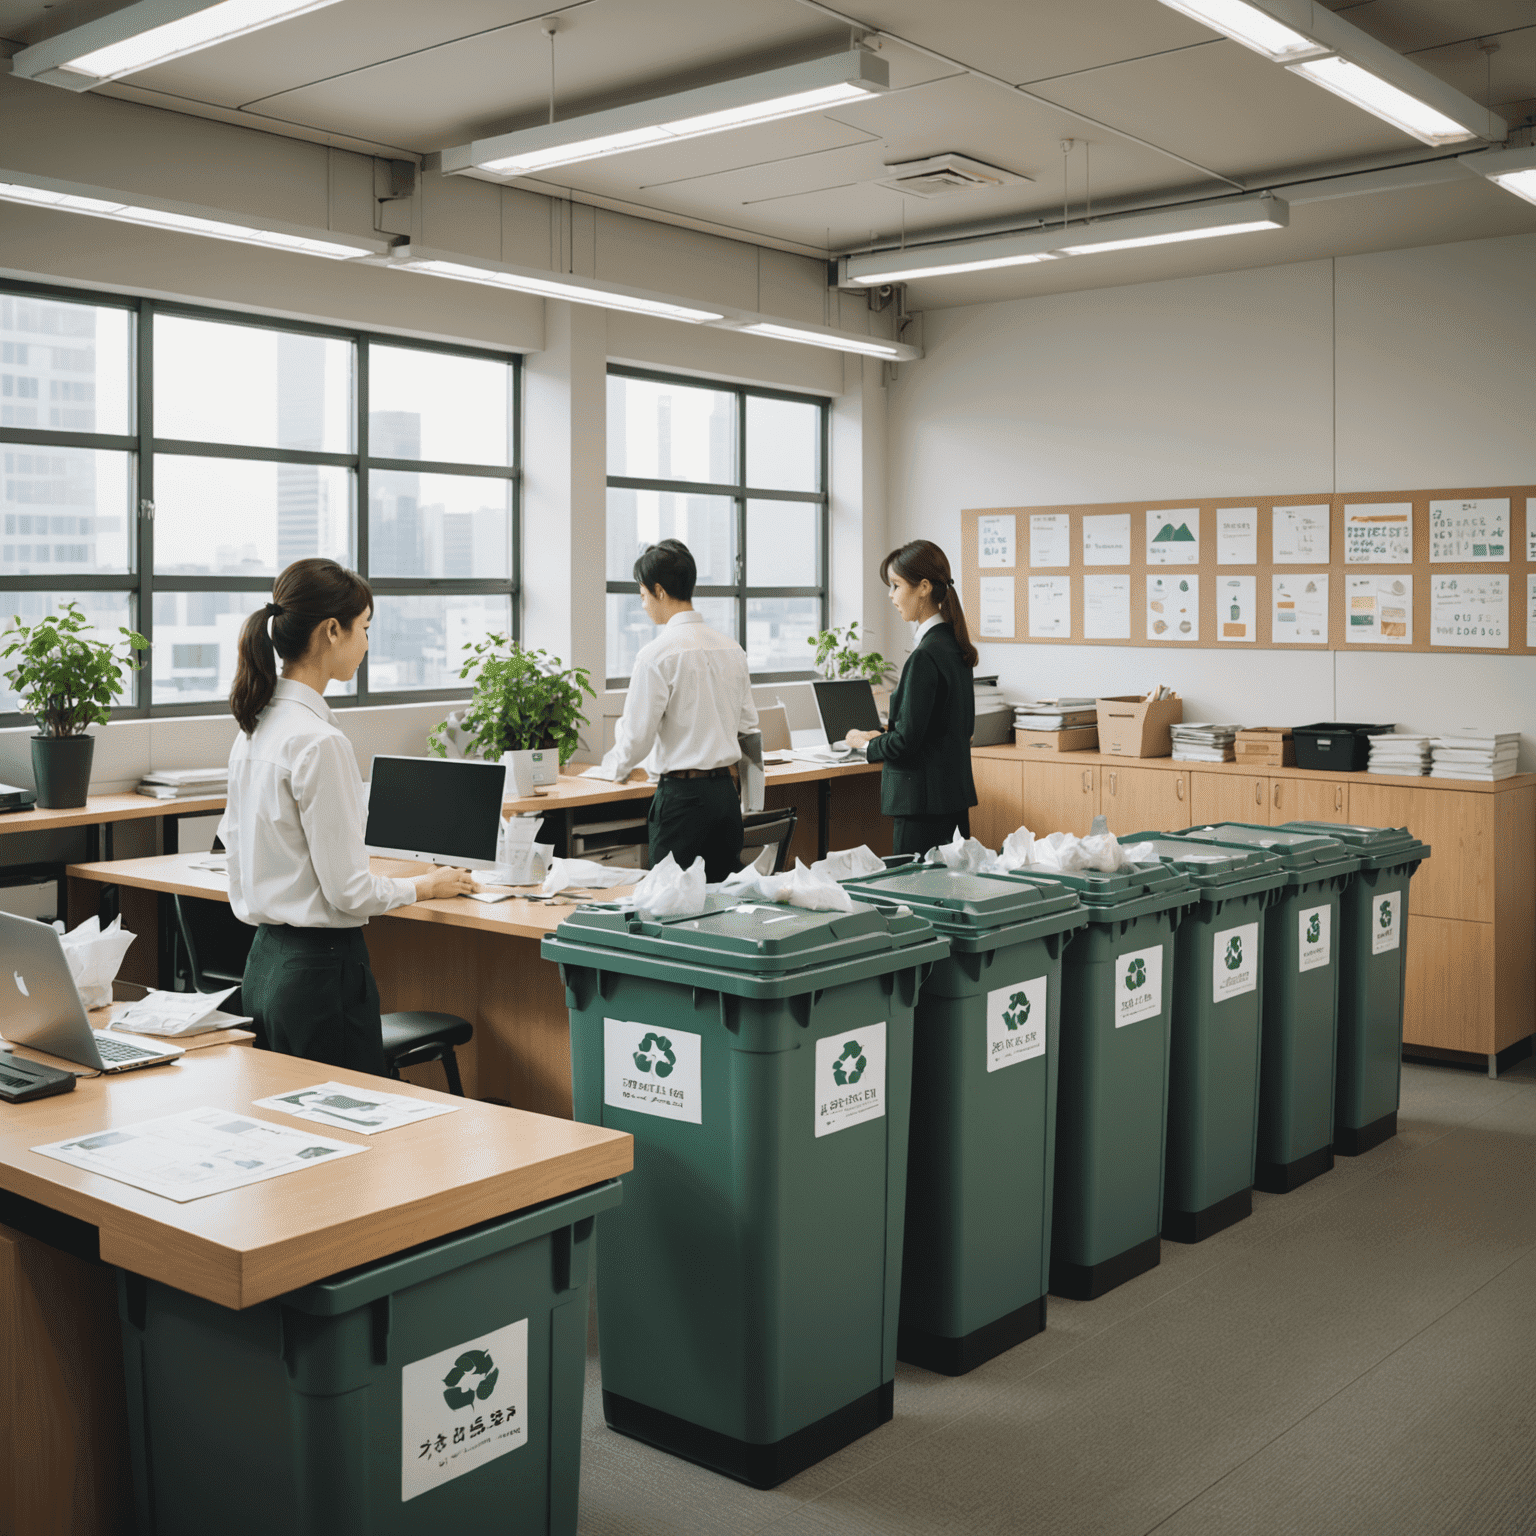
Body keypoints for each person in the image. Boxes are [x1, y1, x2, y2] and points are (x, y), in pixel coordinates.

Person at [221, 558, 473, 1074]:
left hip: (265, 966)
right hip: (320, 973)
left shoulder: (255, 728)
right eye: (364, 629)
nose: (365, 644)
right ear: (331, 631)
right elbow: (349, 891)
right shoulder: (319, 741)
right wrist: (425, 886)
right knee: (346, 1135)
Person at [595, 538, 758, 882]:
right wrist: (751, 800)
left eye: (642, 596)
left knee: (672, 909)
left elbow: (637, 737)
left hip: (683, 800)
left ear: (659, 591)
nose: (643, 606)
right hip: (725, 799)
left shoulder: (657, 655)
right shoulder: (732, 649)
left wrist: (611, 770)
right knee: (723, 907)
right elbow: (748, 729)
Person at [845, 539, 979, 857]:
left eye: (896, 585)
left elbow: (906, 743)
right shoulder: (953, 647)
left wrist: (863, 744)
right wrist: (882, 736)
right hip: (950, 802)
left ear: (923, 587)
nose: (891, 596)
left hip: (922, 806)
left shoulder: (926, 656)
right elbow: (942, 730)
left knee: (913, 898)